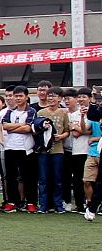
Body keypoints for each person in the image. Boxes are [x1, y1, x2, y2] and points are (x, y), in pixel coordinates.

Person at [0, 86, 37, 213]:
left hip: (26, 148)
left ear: (26, 97)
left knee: (28, 177)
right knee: (10, 177)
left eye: (20, 96)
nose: (18, 98)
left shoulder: (31, 111)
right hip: (10, 147)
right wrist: (22, 125)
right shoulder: (10, 112)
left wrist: (13, 128)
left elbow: (28, 128)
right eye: (16, 96)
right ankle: (12, 202)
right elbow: (4, 126)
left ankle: (30, 202)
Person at [35, 86, 69, 214]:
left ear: (60, 98)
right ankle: (43, 205)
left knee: (58, 179)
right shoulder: (41, 113)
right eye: (49, 96)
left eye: (54, 96)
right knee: (43, 179)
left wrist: (61, 136)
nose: (50, 98)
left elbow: (67, 131)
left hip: (58, 150)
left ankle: (58, 205)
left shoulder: (64, 113)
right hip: (43, 150)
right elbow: (35, 130)